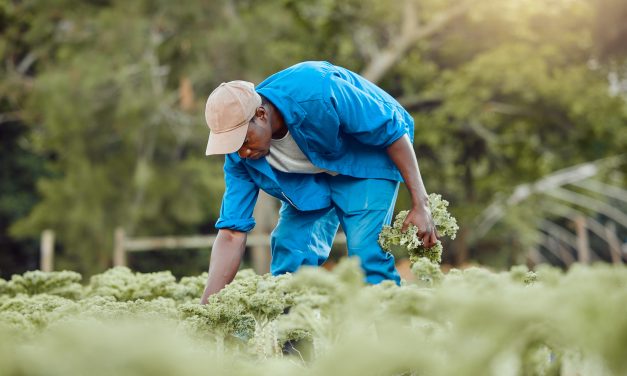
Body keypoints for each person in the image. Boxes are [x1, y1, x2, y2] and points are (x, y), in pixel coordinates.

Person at [200, 61, 438, 304]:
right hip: (310, 180)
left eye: (244, 141)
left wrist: (421, 203)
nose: (242, 153)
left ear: (260, 114)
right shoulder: (239, 156)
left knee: (366, 256)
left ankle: (393, 338)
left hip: (365, 161)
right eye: (232, 145)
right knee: (290, 250)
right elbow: (231, 232)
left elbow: (392, 130)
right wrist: (207, 308)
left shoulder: (317, 92)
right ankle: (295, 337)